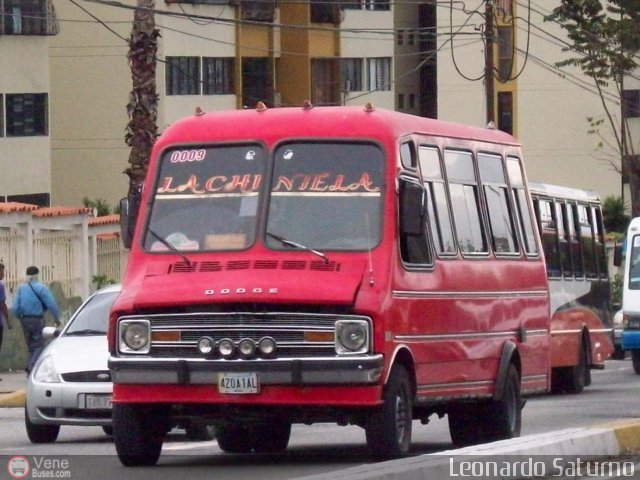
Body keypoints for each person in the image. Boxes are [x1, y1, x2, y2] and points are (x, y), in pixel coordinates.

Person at [11, 266, 61, 375]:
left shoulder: (21, 288)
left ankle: (31, 369)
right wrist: (57, 318)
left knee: (30, 345)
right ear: (37, 275)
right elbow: (51, 304)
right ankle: (31, 366)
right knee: (39, 345)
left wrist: (21, 318)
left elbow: (15, 308)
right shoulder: (41, 288)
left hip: (24, 320)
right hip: (37, 320)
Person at [0, 262, 12, 381]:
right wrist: (7, 321)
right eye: (2, 271)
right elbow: (2, 304)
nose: (3, 274)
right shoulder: (0, 286)